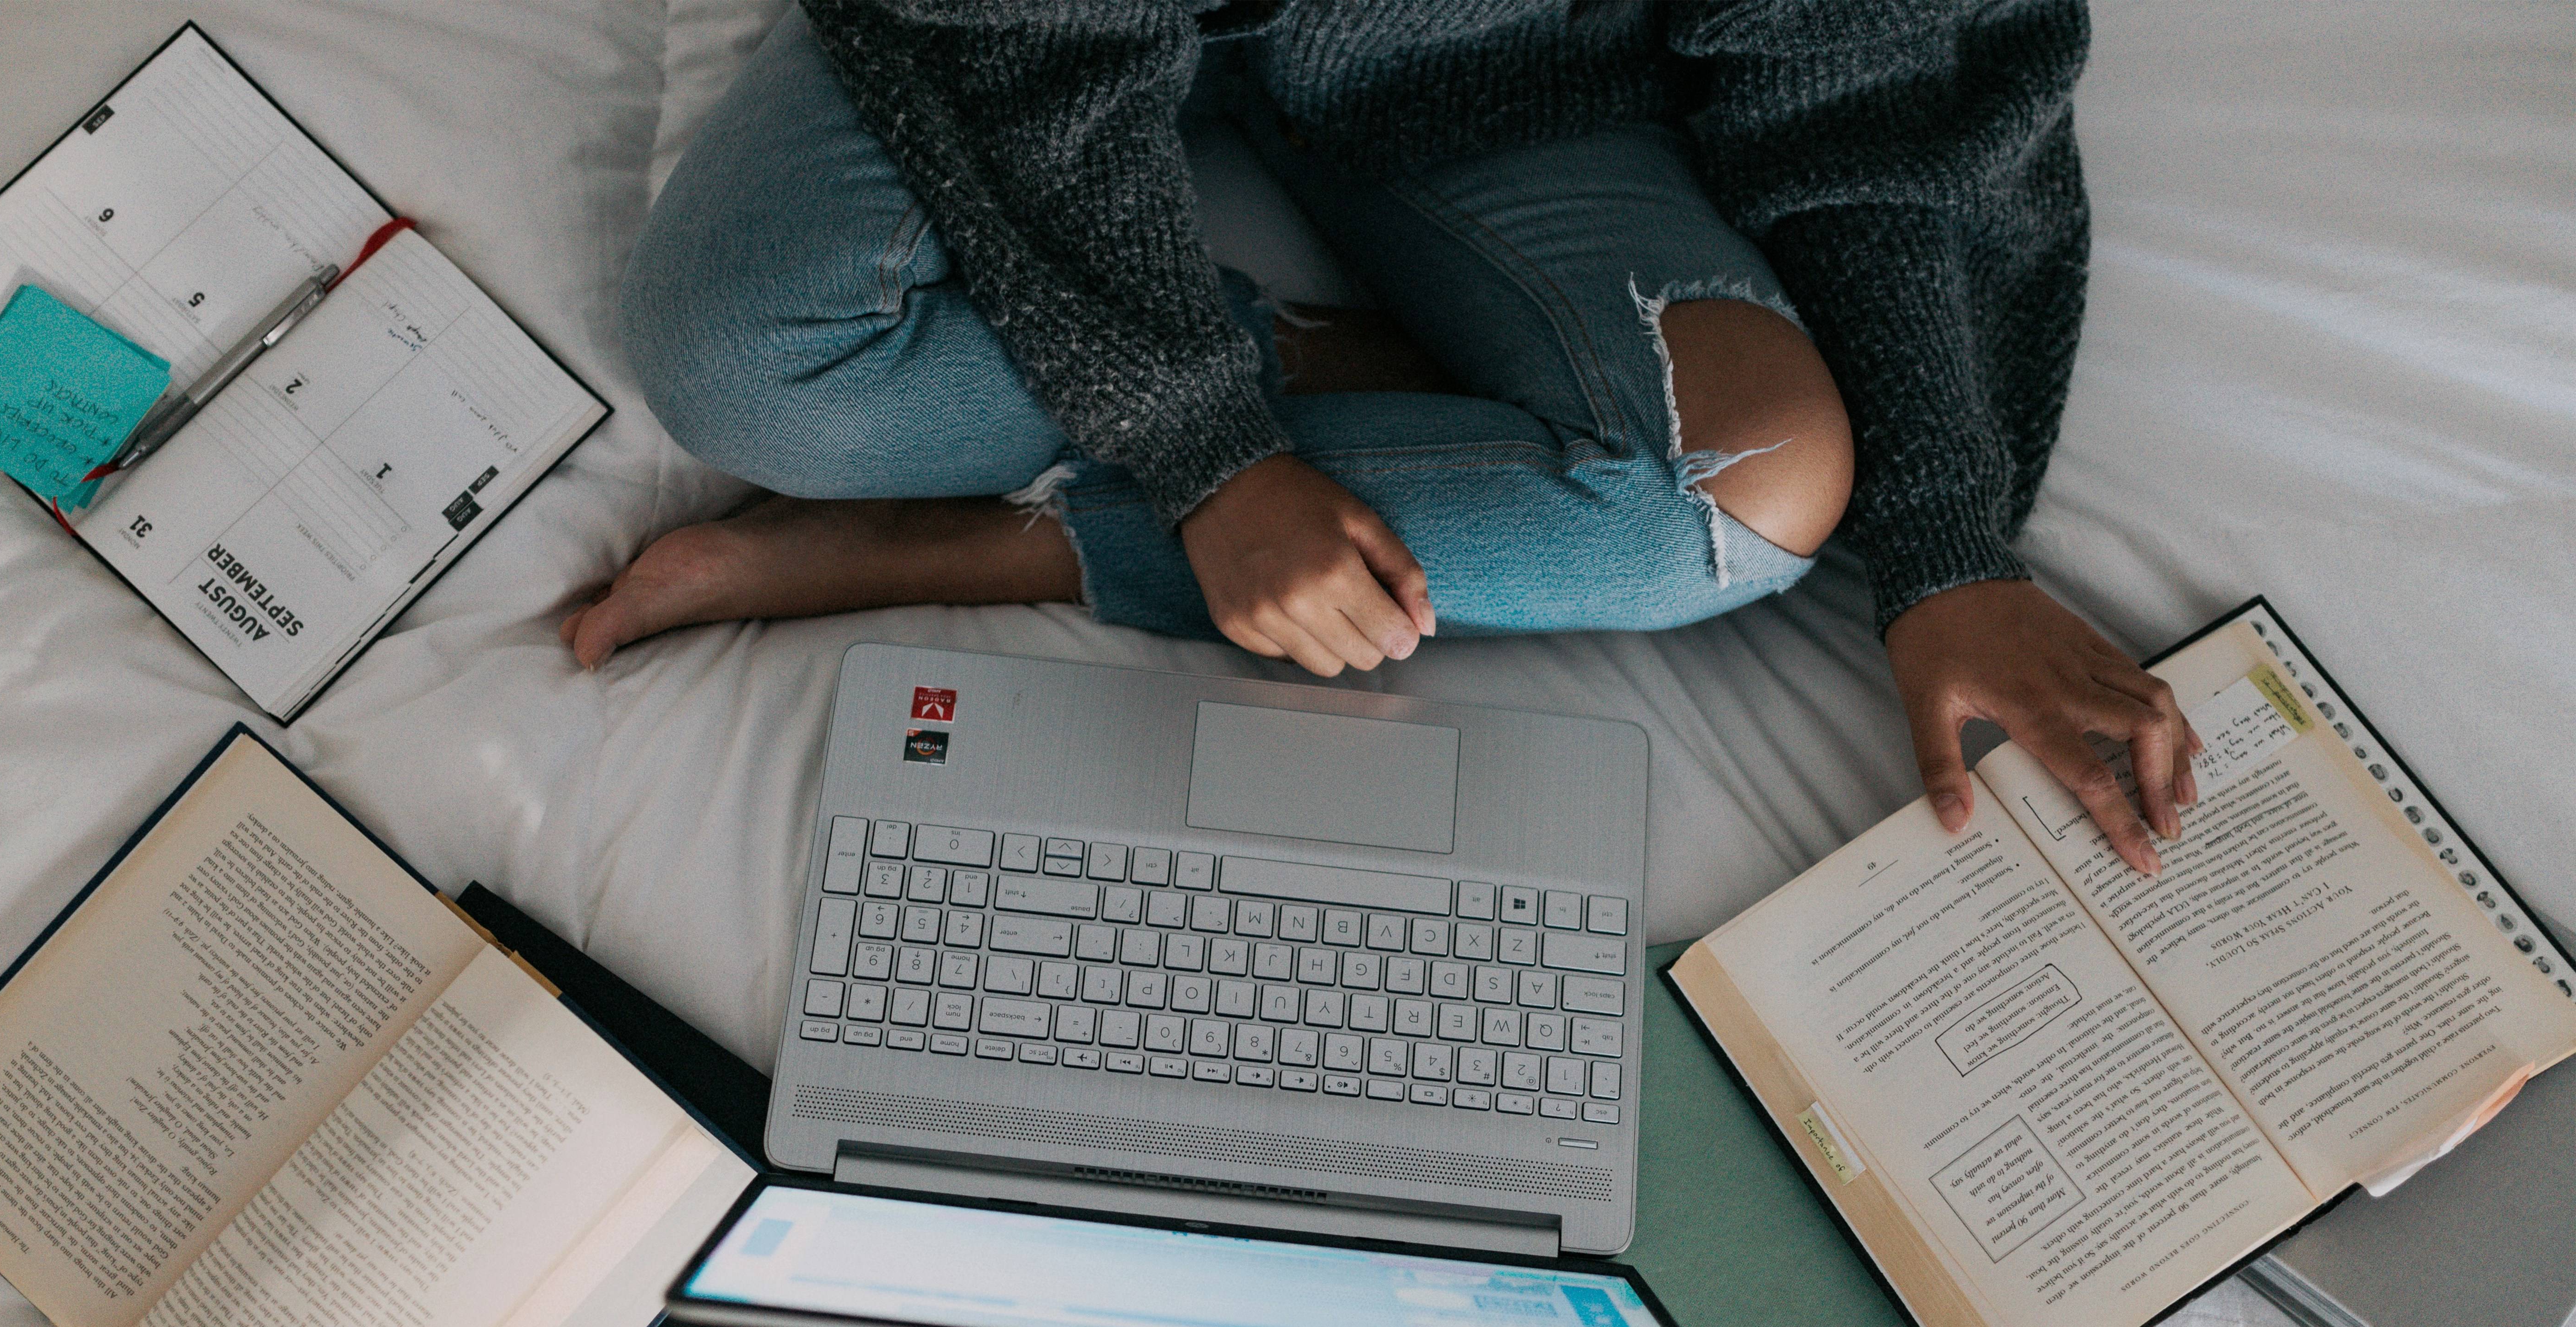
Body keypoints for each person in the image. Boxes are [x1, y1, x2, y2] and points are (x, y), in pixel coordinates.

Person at [574, 0, 2200, 874]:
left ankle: (1010, 537)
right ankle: (1343, 380)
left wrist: (1941, 551)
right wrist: (1203, 445)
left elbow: (1860, 79)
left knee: (1727, 501)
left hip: (1493, 64)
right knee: (735, 363)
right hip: (1019, 36)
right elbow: (1019, 44)